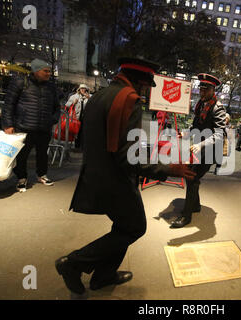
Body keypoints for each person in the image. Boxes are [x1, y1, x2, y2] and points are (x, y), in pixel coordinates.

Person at [55, 57, 196, 295]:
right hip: (116, 180)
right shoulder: (128, 100)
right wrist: (167, 169)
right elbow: (128, 156)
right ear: (138, 80)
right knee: (135, 228)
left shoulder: (99, 95)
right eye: (143, 85)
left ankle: (103, 276)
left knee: (124, 226)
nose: (143, 90)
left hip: (96, 173)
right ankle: (75, 263)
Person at [170, 73, 226, 229]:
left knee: (192, 177)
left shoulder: (217, 108)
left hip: (210, 151)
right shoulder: (201, 104)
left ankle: (186, 216)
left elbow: (220, 134)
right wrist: (185, 133)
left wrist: (201, 145)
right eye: (200, 89)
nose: (201, 92)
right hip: (200, 150)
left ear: (212, 90)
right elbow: (197, 127)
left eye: (205, 89)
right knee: (192, 178)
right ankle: (195, 206)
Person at [2, 59, 60, 192]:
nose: (48, 74)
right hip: (24, 127)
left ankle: (42, 175)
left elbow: (57, 107)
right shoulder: (20, 83)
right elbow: (8, 105)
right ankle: (21, 178)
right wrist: (8, 124)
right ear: (36, 71)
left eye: (49, 71)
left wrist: (52, 120)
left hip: (44, 128)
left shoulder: (51, 87)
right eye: (45, 71)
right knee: (22, 155)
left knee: (42, 154)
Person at [65, 84, 92, 149]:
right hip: (76, 118)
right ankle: (75, 146)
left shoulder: (90, 96)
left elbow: (95, 105)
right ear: (79, 89)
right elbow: (67, 106)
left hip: (85, 118)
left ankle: (82, 147)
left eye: (84, 88)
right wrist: (73, 103)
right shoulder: (74, 96)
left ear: (86, 90)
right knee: (75, 131)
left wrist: (89, 99)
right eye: (81, 88)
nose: (83, 90)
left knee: (83, 132)